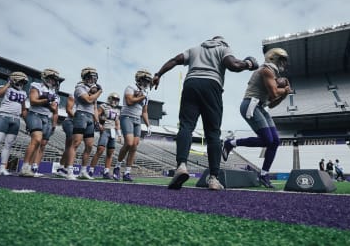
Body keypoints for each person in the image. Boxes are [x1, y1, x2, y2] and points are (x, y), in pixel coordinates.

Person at [151, 36, 259, 190]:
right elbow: (234, 65)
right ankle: (213, 178)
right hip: (211, 85)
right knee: (213, 133)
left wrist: (158, 74)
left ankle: (181, 165)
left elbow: (175, 60)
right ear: (223, 42)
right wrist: (249, 63)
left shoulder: (195, 49)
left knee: (186, 126)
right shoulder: (223, 48)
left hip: (191, 84)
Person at [222, 48, 291, 188]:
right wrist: (285, 90)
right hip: (250, 104)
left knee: (275, 141)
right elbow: (273, 92)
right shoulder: (266, 70)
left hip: (260, 106)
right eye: (281, 60)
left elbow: (272, 104)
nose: (283, 63)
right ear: (274, 58)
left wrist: (284, 95)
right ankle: (230, 143)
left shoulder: (273, 74)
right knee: (267, 139)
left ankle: (264, 175)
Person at [19, 68, 62, 177]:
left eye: (54, 79)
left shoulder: (56, 95)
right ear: (45, 77)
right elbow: (33, 101)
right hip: (35, 114)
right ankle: (25, 167)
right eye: (50, 78)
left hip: (47, 118)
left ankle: (34, 169)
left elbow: (54, 110)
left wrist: (53, 125)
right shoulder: (36, 85)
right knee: (36, 140)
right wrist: (47, 100)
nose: (52, 81)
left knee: (42, 144)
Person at [113, 69, 153, 182]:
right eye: (145, 80)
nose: (146, 83)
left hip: (137, 119)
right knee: (129, 143)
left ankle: (127, 172)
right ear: (139, 79)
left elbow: (144, 112)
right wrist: (142, 96)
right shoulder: (130, 87)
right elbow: (130, 101)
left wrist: (148, 125)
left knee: (134, 146)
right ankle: (117, 166)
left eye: (148, 81)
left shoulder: (146, 94)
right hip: (127, 117)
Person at [67, 67, 102, 180]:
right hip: (81, 115)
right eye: (89, 77)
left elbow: (95, 108)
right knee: (76, 143)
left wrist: (97, 121)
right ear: (84, 77)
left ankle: (83, 171)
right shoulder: (79, 87)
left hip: (90, 117)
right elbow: (88, 100)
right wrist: (100, 92)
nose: (91, 80)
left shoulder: (93, 91)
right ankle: (69, 170)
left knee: (89, 146)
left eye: (93, 78)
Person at [89, 93, 122, 179]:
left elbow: (117, 123)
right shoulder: (103, 106)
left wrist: (119, 135)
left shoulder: (118, 110)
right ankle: (91, 170)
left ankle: (106, 171)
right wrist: (98, 124)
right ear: (109, 98)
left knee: (110, 153)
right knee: (100, 150)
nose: (115, 101)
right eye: (113, 99)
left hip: (113, 131)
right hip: (105, 130)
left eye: (117, 100)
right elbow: (97, 115)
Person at [55, 95, 76, 178]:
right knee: (71, 144)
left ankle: (63, 168)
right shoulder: (73, 97)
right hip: (70, 121)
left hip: (78, 124)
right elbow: (68, 110)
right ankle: (64, 167)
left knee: (71, 147)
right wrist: (80, 119)